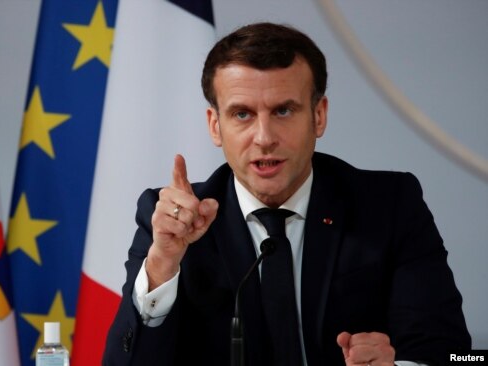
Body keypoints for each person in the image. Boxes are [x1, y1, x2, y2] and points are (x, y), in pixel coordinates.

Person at [102, 22, 471, 365]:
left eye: (283, 110)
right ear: (215, 126)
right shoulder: (173, 221)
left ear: (319, 116)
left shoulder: (389, 205)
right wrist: (163, 262)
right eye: (242, 114)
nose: (264, 137)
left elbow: (458, 356)